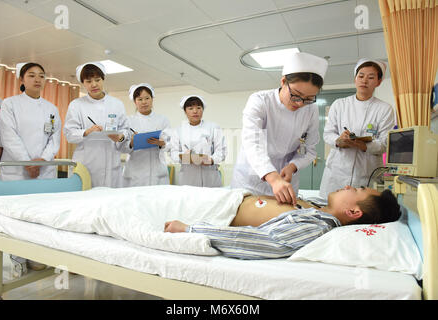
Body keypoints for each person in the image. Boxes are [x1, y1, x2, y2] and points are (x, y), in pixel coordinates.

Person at [164, 186, 401, 259]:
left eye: (357, 189)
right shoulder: (318, 206)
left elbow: (264, 242)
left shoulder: (319, 225)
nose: (349, 186)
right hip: (225, 197)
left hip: (211, 210)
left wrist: (189, 229)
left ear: (353, 211)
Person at [230, 52, 328, 205]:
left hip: (286, 180)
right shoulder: (260, 101)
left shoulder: (311, 110)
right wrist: (273, 178)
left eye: (309, 99)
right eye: (296, 95)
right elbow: (253, 143)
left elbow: (309, 149)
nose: (300, 103)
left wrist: (293, 166)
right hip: (252, 180)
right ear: (283, 81)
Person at [319, 58, 396, 199]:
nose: (364, 80)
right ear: (355, 79)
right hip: (336, 175)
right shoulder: (339, 104)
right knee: (330, 212)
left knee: (360, 214)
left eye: (371, 77)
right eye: (361, 76)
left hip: (365, 177)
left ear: (378, 82)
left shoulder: (385, 109)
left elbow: (385, 143)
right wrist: (338, 140)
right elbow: (328, 134)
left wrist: (364, 146)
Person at [63, 61, 129, 188]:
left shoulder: (117, 104)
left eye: (97, 80)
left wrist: (120, 137)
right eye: (88, 81)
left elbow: (126, 130)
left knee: (110, 201)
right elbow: (69, 133)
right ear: (83, 84)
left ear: (103, 80)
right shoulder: (76, 105)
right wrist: (86, 132)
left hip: (111, 162)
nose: (94, 84)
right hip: (86, 161)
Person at [0, 62, 61, 181]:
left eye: (41, 76)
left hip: (44, 170)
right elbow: (9, 137)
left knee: (43, 199)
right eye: (32, 76)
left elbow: (55, 139)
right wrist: (27, 163)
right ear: (22, 79)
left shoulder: (52, 108)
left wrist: (43, 160)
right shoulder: (10, 104)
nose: (37, 79)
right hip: (17, 171)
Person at [170, 95, 227, 187]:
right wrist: (184, 157)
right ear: (185, 111)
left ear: (203, 110)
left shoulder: (213, 127)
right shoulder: (178, 130)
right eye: (190, 108)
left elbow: (222, 151)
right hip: (188, 179)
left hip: (210, 177)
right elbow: (173, 154)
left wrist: (211, 160)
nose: (195, 111)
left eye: (199, 108)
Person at [122, 83, 171, 186]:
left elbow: (170, 144)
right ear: (135, 102)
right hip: (135, 173)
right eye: (140, 99)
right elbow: (121, 148)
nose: (144, 102)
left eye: (147, 98)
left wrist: (161, 143)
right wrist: (131, 142)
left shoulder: (163, 120)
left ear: (152, 99)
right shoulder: (128, 121)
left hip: (157, 171)